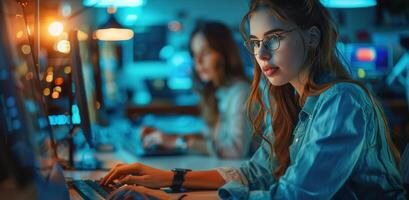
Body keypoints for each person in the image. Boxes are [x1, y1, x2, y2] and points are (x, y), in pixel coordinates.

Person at [101, 0, 407, 199]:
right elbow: (256, 173)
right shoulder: (288, 97)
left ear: (312, 37)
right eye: (256, 42)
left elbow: (293, 196)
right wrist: (170, 178)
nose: (261, 54)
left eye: (274, 38)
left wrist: (175, 198)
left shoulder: (342, 100)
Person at [141, 21, 253, 159]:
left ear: (224, 53)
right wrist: (165, 134)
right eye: (194, 54)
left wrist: (175, 142)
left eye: (205, 52)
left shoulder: (241, 91)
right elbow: (209, 135)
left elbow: (236, 150)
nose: (198, 62)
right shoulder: (220, 92)